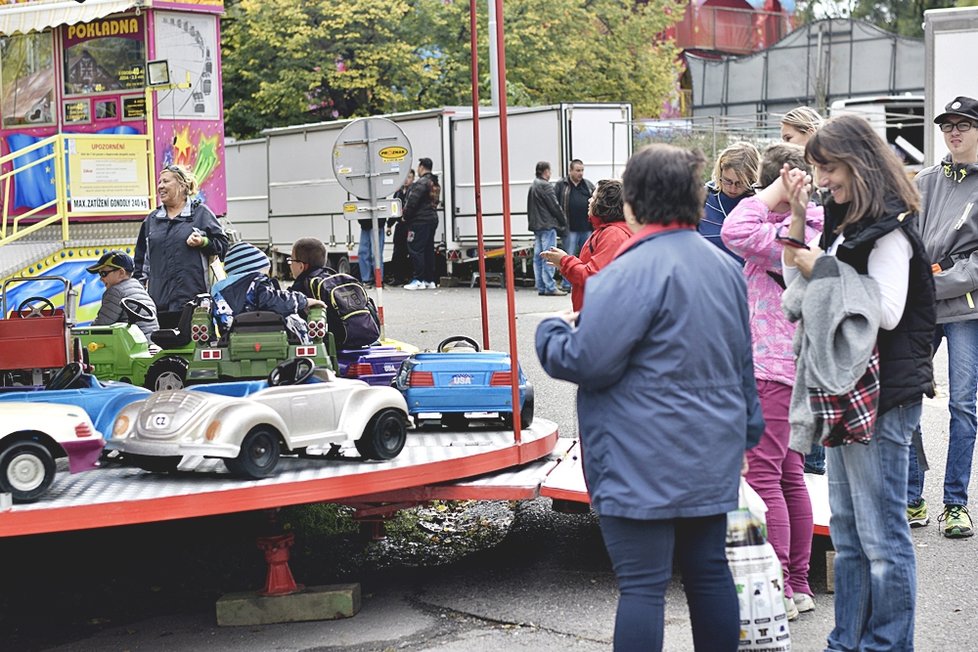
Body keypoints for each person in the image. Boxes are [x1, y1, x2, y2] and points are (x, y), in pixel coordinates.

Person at [536, 144, 763, 651]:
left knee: (643, 587)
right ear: (693, 198)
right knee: (709, 574)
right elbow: (740, 360)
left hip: (637, 455)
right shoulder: (724, 268)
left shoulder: (626, 273)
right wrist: (744, 436)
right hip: (710, 450)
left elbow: (588, 360)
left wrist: (553, 329)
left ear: (634, 202)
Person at [781, 114, 935, 651]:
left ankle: (887, 644)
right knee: (847, 533)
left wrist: (820, 265)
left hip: (884, 396)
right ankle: (847, 640)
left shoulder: (890, 227)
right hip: (849, 391)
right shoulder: (846, 221)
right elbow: (800, 290)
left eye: (828, 167)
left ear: (858, 161)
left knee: (880, 535)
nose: (822, 179)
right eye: (817, 169)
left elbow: (887, 312)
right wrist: (799, 222)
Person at [721, 142, 823, 619]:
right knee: (789, 475)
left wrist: (778, 192)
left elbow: (731, 228)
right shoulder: (808, 223)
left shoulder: (787, 229)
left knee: (765, 476)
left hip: (771, 367)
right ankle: (798, 584)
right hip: (795, 368)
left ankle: (778, 582)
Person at [907, 95, 978, 538]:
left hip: (966, 312)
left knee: (962, 405)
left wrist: (936, 279)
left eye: (963, 125)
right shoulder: (926, 179)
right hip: (922, 309)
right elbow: (904, 237)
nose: (954, 132)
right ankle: (912, 498)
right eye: (947, 125)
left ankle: (955, 503)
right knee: (904, 399)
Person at [133, 164, 228, 328]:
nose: (160, 186)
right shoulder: (152, 220)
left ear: (182, 185)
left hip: (195, 303)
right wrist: (139, 296)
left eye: (166, 181)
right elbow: (140, 264)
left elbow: (223, 245)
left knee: (197, 350)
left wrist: (203, 242)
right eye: (159, 182)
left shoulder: (200, 214)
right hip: (159, 304)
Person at [539, 179, 630, 312]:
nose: (589, 201)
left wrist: (565, 261)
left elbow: (594, 277)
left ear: (605, 203)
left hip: (599, 316)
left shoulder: (613, 234)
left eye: (593, 197)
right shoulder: (606, 231)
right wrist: (564, 264)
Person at [211, 242, 324, 343]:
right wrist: (304, 301)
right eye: (265, 272)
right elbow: (273, 300)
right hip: (266, 338)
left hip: (231, 339)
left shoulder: (219, 292)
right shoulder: (256, 283)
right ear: (254, 270)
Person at [700, 141, 760, 263]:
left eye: (740, 183)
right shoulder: (702, 199)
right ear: (720, 172)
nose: (732, 188)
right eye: (727, 181)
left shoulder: (761, 203)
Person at [87, 250, 158, 338]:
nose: (101, 279)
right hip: (151, 341)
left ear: (121, 272)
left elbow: (100, 326)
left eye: (103, 273)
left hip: (132, 345)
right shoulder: (139, 288)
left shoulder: (115, 292)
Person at [553, 159, 595, 290]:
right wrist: (560, 224)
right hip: (569, 228)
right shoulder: (562, 185)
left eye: (582, 170)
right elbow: (555, 205)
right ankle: (567, 284)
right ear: (570, 171)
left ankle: (586, 282)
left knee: (587, 256)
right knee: (568, 256)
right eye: (577, 170)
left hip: (586, 228)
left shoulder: (587, 185)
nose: (580, 173)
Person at [527, 161, 568, 296]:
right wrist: (563, 221)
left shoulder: (533, 185)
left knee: (538, 257)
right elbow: (554, 206)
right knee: (549, 255)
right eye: (549, 171)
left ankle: (541, 286)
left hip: (536, 226)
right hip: (547, 225)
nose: (550, 174)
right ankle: (550, 287)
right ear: (545, 171)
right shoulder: (546, 186)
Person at [401, 158, 439, 290]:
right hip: (432, 219)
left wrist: (405, 216)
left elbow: (412, 202)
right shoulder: (435, 182)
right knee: (428, 250)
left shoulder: (421, 183)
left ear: (422, 167)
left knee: (416, 249)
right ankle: (429, 280)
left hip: (419, 221)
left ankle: (418, 279)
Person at [386, 169, 415, 285]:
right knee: (398, 253)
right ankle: (398, 277)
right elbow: (394, 209)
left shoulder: (414, 191)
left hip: (410, 224)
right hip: (400, 225)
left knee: (411, 252)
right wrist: (389, 225)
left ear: (413, 178)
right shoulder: (398, 192)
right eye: (405, 177)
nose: (406, 179)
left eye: (409, 177)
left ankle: (409, 276)